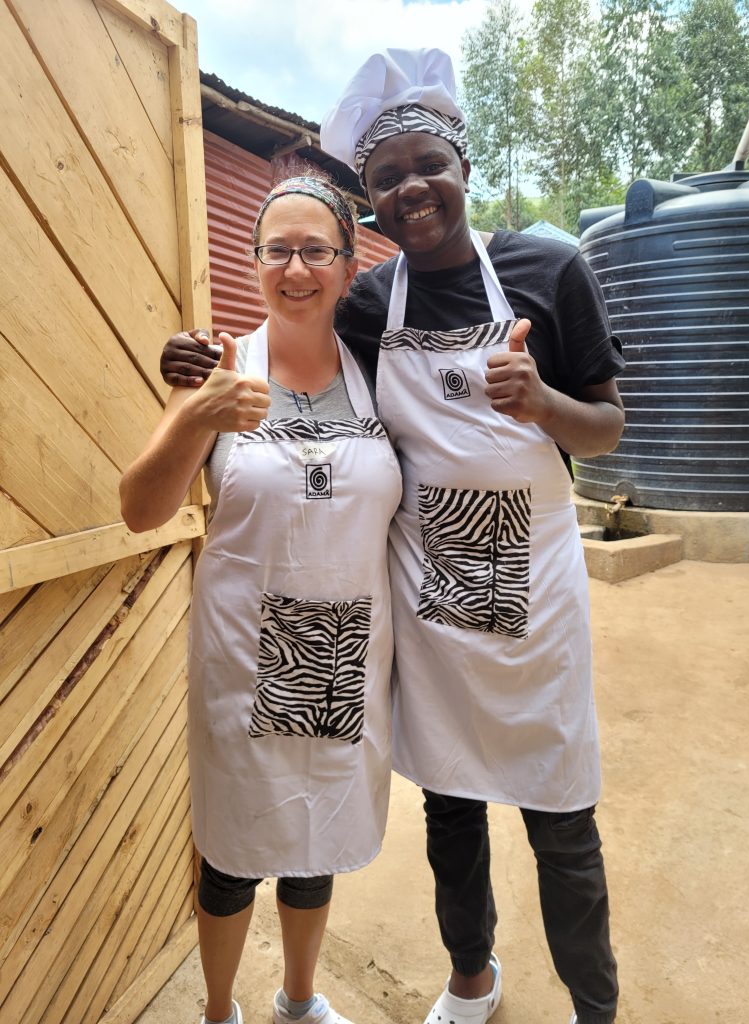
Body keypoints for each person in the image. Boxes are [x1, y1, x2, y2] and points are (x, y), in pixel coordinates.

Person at [160, 48, 625, 1024]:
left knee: (561, 815)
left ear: (464, 165)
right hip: (432, 610)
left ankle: (596, 1005)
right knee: (450, 810)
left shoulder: (550, 267)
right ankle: (471, 978)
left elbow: (608, 423)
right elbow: (294, 352)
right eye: (387, 178)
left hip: (537, 602)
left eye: (429, 164)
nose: (413, 187)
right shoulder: (373, 305)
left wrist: (542, 403)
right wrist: (197, 357)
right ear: (369, 206)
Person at [120, 176, 402, 1024]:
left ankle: (299, 1000)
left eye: (317, 249)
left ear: (350, 266)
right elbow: (140, 509)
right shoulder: (214, 367)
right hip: (243, 656)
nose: (297, 268)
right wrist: (193, 415)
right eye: (277, 249)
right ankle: (218, 1010)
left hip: (348, 651)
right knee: (235, 853)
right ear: (253, 265)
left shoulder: (381, 376)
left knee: (314, 841)